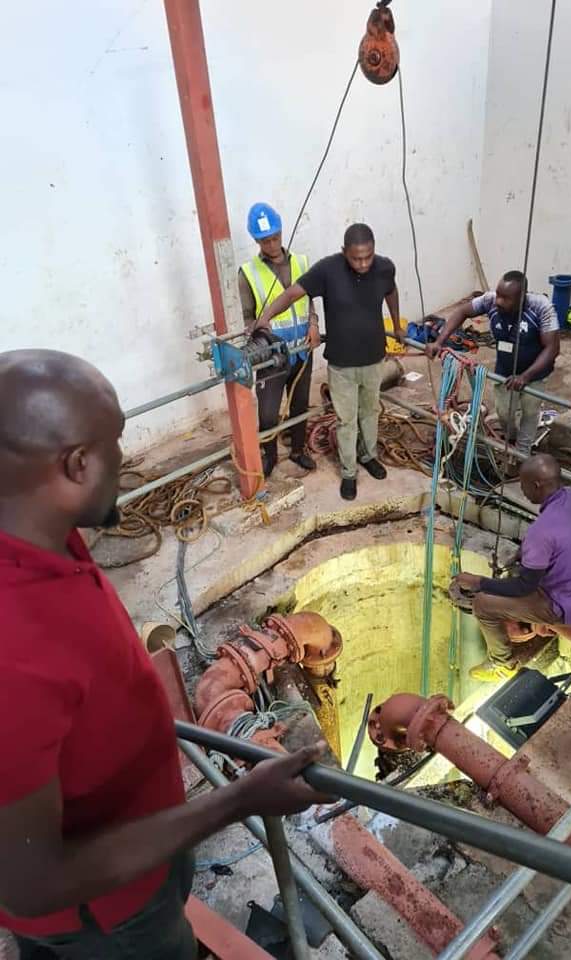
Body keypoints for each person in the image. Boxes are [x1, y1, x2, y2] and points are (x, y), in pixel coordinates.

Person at [0, 350, 327, 960]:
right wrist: (240, 800)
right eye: (117, 442)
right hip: (110, 920)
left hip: (136, 860)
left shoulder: (39, 534)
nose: (125, 461)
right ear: (75, 465)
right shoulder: (12, 656)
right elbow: (31, 883)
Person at [256, 223, 403, 500]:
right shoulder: (328, 270)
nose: (363, 263)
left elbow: (391, 292)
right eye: (356, 257)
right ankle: (349, 472)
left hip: (374, 358)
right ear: (344, 252)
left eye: (368, 256)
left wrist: (396, 324)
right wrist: (265, 318)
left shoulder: (384, 267)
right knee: (346, 421)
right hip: (342, 364)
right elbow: (292, 294)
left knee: (370, 413)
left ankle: (368, 456)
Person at [449, 454, 571, 683]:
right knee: (521, 572)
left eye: (523, 485)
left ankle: (501, 663)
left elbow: (524, 586)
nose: (521, 490)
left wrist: (477, 582)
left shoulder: (540, 532)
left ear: (537, 485)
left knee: (482, 604)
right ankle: (536, 622)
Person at [427, 271, 560, 457]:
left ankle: (523, 452)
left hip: (534, 373)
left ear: (521, 298)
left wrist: (525, 377)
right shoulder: (490, 301)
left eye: (506, 298)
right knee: (505, 413)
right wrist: (439, 341)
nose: (499, 301)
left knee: (530, 412)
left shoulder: (541, 308)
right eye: (499, 295)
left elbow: (552, 348)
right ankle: (511, 437)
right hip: (505, 370)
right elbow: (462, 312)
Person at [239, 203, 320, 478]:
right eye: (264, 240)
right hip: (272, 354)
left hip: (302, 349)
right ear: (255, 240)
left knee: (299, 405)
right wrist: (259, 333)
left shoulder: (301, 262)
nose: (271, 244)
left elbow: (309, 301)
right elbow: (248, 318)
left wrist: (314, 323)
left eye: (275, 237)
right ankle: (270, 455)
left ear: (282, 232)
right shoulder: (247, 273)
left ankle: (298, 450)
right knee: (268, 414)